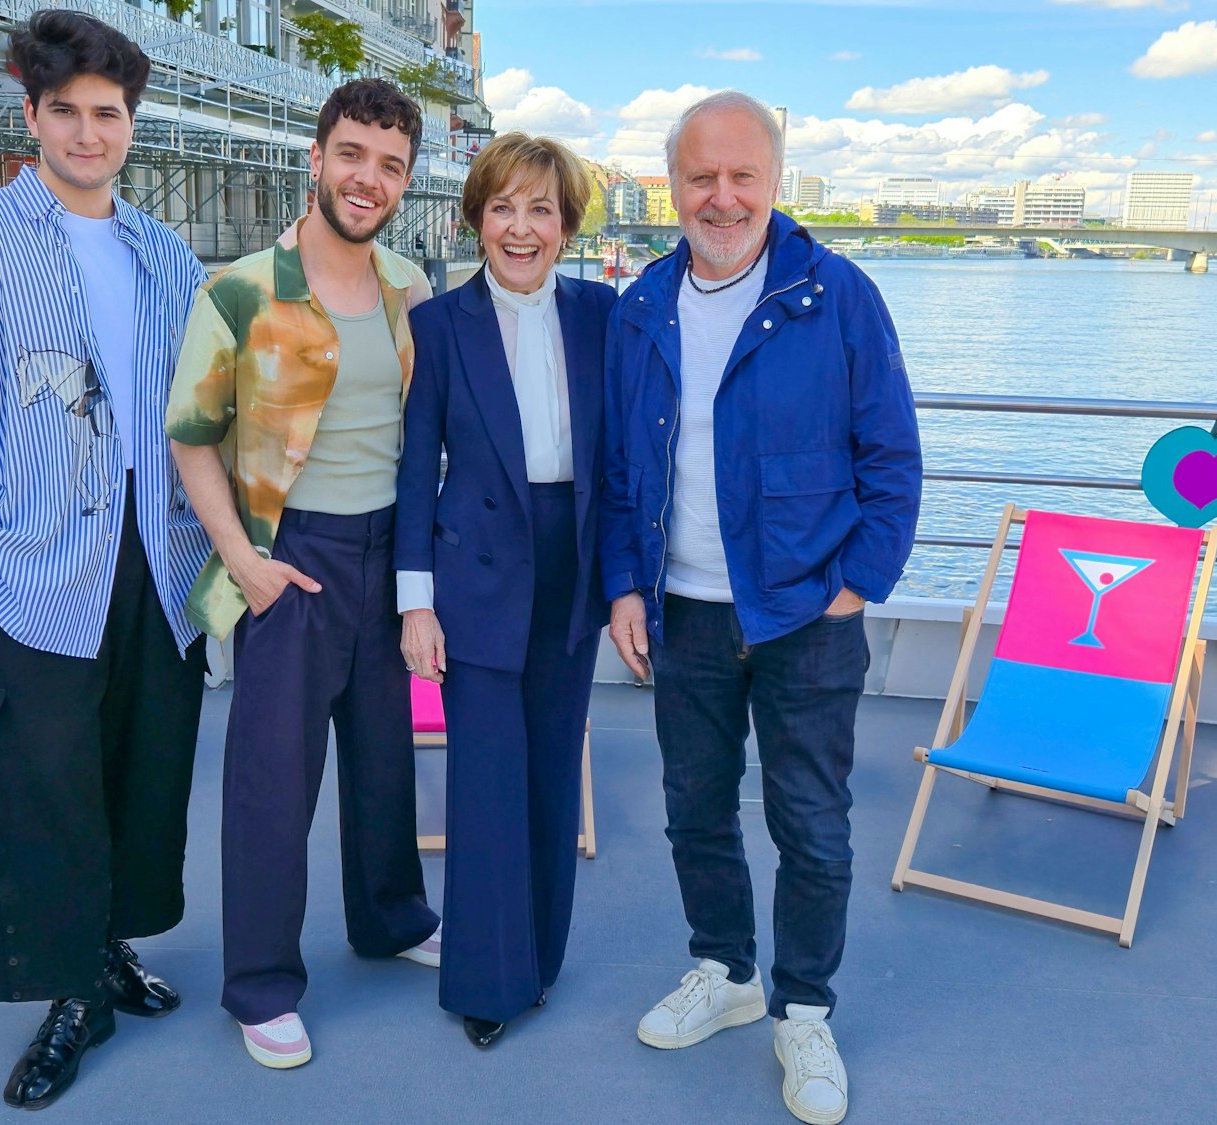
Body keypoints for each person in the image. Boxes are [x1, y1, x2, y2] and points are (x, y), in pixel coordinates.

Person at [0, 10, 214, 1111]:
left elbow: (202, 408)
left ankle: (110, 943)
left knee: (142, 762)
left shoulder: (164, 254)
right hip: (28, 558)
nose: (86, 133)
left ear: (130, 125)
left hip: (156, 554)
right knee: (43, 783)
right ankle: (70, 994)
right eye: (64, 111)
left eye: (106, 114)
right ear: (32, 117)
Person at [599, 90, 923, 1125]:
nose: (722, 196)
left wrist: (857, 585)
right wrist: (620, 586)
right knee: (694, 809)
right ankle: (726, 972)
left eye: (743, 176)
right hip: (681, 613)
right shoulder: (641, 305)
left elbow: (892, 458)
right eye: (701, 177)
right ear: (673, 186)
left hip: (802, 618)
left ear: (774, 182)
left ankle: (803, 1008)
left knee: (811, 825)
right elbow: (619, 470)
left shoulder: (839, 297)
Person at [167, 77, 441, 1071]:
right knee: (271, 785)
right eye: (353, 155)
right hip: (292, 558)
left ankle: (391, 919)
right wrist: (243, 559)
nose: (367, 178)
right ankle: (261, 986)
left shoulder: (411, 286)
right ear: (317, 158)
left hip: (387, 553)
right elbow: (190, 438)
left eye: (389, 165)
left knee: (384, 761)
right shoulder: (239, 289)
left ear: (403, 182)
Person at [394, 131, 615, 1049]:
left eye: (542, 210)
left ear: (565, 225)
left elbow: (631, 454)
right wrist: (415, 599)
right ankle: (487, 982)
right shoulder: (440, 325)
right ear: (474, 219)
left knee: (552, 771)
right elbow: (415, 469)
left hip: (573, 563)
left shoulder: (606, 315)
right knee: (486, 781)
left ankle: (541, 959)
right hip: (475, 565)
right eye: (503, 208)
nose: (521, 229)